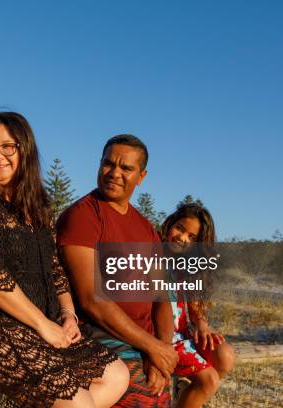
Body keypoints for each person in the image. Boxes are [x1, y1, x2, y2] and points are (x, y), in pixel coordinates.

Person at [0, 112, 129, 408]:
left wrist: (68, 314)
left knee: (117, 376)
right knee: (77, 403)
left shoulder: (37, 203)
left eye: (7, 146)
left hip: (38, 323)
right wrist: (43, 325)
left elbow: (54, 268)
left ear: (24, 149)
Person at [57, 134, 176, 407]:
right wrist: (152, 347)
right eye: (108, 164)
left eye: (126, 168)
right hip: (99, 335)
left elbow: (161, 298)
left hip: (143, 341)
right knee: (143, 397)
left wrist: (162, 350)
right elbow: (91, 300)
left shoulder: (146, 228)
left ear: (141, 176)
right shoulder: (84, 216)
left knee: (160, 395)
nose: (115, 173)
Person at [160, 204, 236, 408]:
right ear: (169, 225)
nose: (183, 238)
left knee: (225, 355)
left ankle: (190, 393)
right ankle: (194, 388)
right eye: (180, 228)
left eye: (192, 237)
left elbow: (194, 306)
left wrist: (202, 324)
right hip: (163, 337)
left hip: (183, 335)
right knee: (209, 379)